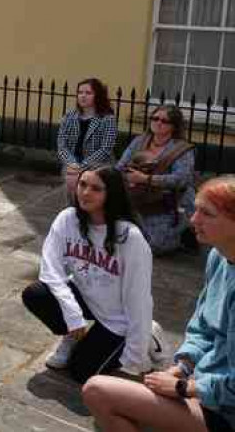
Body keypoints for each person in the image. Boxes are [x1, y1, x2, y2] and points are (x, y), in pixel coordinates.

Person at [82, 177, 235, 432]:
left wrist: (184, 388)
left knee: (97, 391)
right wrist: (182, 367)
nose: (194, 220)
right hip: (204, 384)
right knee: (111, 411)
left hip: (224, 409)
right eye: (195, 210)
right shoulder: (218, 257)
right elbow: (203, 327)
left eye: (207, 213)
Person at [21, 167, 157, 384]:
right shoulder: (68, 218)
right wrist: (71, 313)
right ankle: (72, 335)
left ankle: (150, 335)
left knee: (82, 373)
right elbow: (50, 269)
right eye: (82, 184)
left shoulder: (129, 237)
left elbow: (138, 298)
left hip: (117, 318)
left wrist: (134, 358)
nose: (85, 193)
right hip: (85, 297)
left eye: (96, 188)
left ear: (111, 193)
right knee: (36, 294)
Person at [115, 104, 197, 255]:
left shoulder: (182, 149)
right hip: (137, 197)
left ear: (174, 126)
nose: (158, 123)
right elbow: (119, 167)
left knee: (155, 247)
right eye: (155, 118)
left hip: (165, 201)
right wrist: (127, 176)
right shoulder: (139, 141)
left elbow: (182, 179)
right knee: (124, 241)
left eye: (165, 121)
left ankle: (183, 228)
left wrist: (146, 178)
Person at [57, 78, 118, 202]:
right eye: (80, 92)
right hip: (72, 163)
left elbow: (105, 149)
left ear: (97, 95)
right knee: (71, 187)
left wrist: (82, 167)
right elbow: (61, 144)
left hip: (98, 165)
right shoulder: (69, 116)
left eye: (88, 93)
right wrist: (72, 163)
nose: (83, 96)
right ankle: (72, 213)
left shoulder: (107, 119)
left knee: (87, 193)